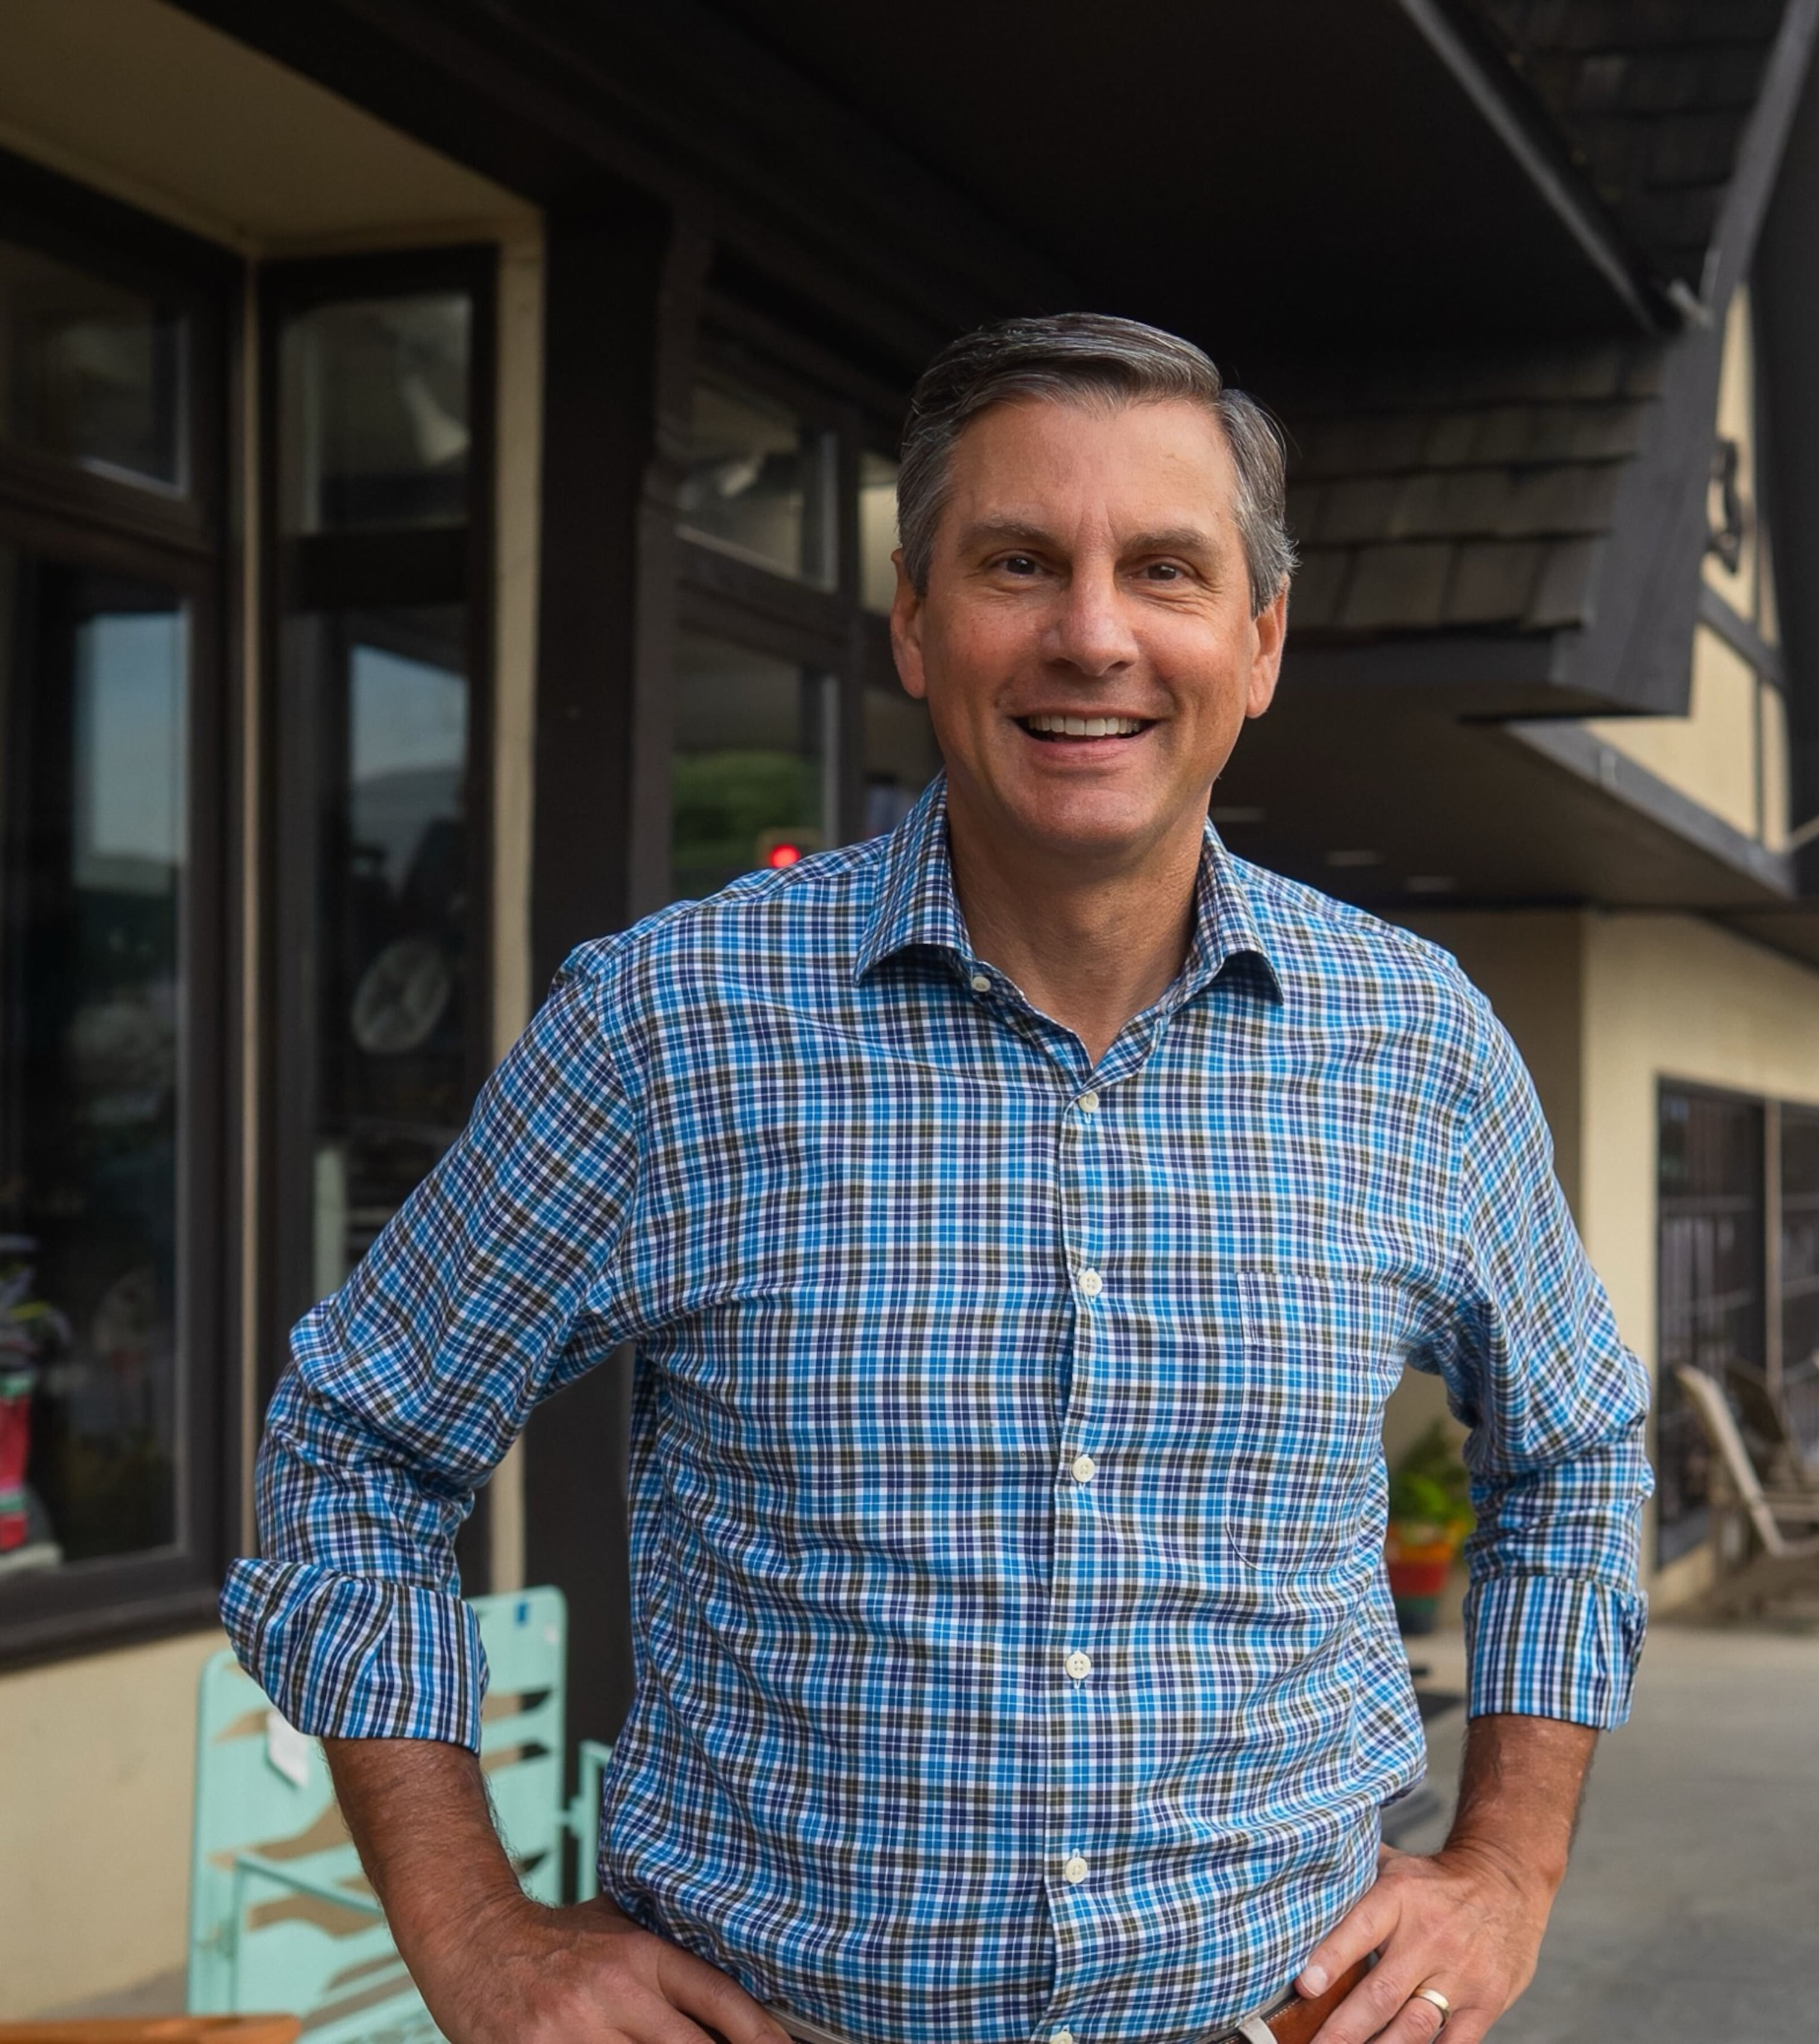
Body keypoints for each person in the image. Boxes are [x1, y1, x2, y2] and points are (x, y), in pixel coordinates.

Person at [225, 313, 1651, 2044]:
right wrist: (476, 1932)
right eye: (1020, 562)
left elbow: (1574, 1452)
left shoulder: (1420, 1047)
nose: (1095, 634)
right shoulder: (671, 1030)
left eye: (1168, 570)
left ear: (1260, 639)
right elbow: (353, 1449)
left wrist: (1508, 1863)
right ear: (914, 619)